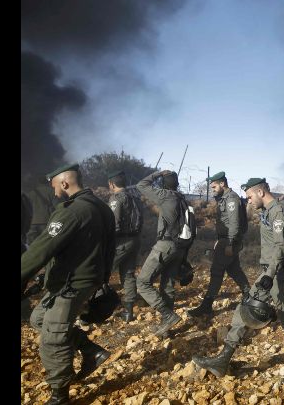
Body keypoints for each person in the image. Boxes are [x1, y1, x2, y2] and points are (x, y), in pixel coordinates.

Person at [193, 178, 284, 385]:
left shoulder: (279, 212)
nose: (249, 201)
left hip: (279, 275)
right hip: (269, 274)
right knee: (245, 309)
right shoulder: (268, 211)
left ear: (260, 192)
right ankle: (223, 359)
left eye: (250, 196)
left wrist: (269, 275)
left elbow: (280, 247)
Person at [21, 163, 116, 405]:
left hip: (73, 283)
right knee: (38, 319)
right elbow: (107, 247)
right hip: (84, 278)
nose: (54, 192)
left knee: (52, 339)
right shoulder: (102, 207)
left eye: (54, 186)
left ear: (64, 183)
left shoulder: (72, 211)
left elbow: (40, 251)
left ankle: (59, 395)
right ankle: (90, 350)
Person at [188, 172, 250, 317]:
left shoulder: (231, 199)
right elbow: (225, 222)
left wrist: (229, 243)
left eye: (214, 186)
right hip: (225, 239)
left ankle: (206, 306)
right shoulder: (224, 198)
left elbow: (234, 223)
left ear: (222, 183)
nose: (213, 189)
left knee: (216, 272)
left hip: (229, 240)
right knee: (234, 270)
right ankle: (249, 295)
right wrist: (220, 239)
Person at [135, 169, 186, 336]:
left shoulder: (165, 195)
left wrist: (156, 174)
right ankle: (166, 328)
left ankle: (167, 315)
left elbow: (141, 185)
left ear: (164, 184)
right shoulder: (181, 199)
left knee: (142, 283)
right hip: (178, 247)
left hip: (165, 245)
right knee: (168, 285)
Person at [107, 170, 143, 322]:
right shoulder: (135, 198)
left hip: (120, 241)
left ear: (112, 184)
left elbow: (113, 224)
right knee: (128, 273)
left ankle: (95, 308)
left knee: (101, 272)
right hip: (135, 240)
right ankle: (128, 312)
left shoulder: (116, 198)